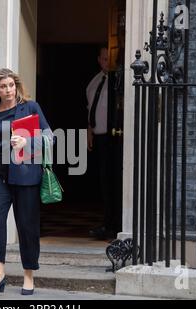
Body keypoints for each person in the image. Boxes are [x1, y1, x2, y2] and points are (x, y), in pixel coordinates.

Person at [0, 68, 53, 296]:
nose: (8, 90)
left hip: (26, 176)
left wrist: (27, 142)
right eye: (3, 86)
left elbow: (49, 137)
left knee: (27, 226)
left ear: (16, 86)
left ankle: (28, 276)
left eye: (11, 85)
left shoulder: (30, 107)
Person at [86, 45, 121, 240]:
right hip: (99, 138)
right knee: (103, 182)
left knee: (114, 182)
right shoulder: (93, 82)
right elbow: (90, 108)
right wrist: (89, 131)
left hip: (114, 137)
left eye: (111, 58)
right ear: (99, 60)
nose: (108, 62)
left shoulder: (118, 81)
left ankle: (114, 224)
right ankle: (107, 222)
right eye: (105, 59)